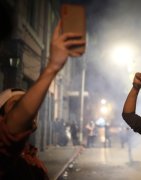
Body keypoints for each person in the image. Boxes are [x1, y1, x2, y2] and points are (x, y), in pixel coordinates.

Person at [0, 17, 85, 179]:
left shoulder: (31, 160)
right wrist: (52, 66)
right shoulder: (4, 157)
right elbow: (10, 132)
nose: (25, 110)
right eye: (15, 106)